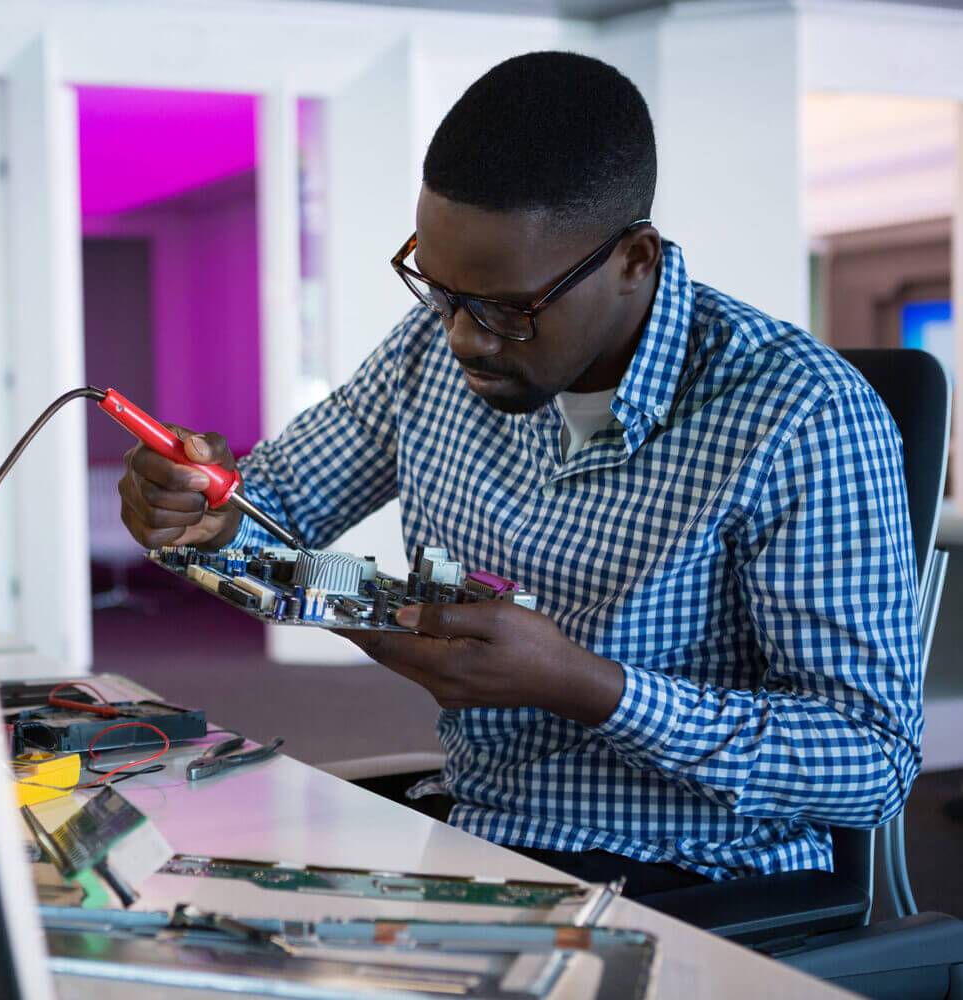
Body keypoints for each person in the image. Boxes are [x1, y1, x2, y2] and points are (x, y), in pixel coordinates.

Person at [116, 51, 922, 896]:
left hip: (694, 876)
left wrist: (593, 689)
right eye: (439, 289)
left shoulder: (801, 414)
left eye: (506, 308)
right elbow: (268, 521)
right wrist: (202, 520)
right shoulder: (430, 352)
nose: (463, 336)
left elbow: (871, 761)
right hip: (481, 834)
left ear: (635, 261)